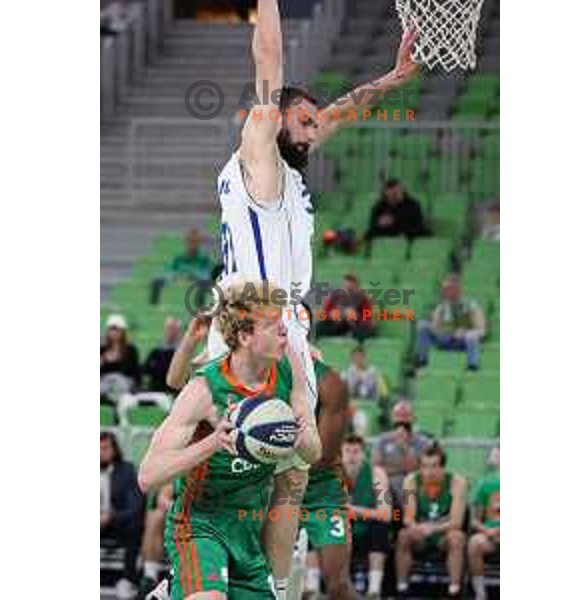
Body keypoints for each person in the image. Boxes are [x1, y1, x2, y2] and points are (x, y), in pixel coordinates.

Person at [210, 2, 418, 594]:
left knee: (301, 459)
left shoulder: (289, 166)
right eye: (302, 119)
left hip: (284, 323)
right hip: (252, 317)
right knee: (254, 452)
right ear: (275, 118)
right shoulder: (261, 153)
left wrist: (392, 79)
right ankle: (198, 562)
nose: (314, 127)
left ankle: (273, 583)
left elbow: (342, 113)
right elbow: (269, 55)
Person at [138, 279, 321, 600]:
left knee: (295, 475)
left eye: (282, 320)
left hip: (247, 530)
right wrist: (212, 443)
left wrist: (301, 435)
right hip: (199, 524)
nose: (283, 329)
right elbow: (147, 477)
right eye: (271, 324)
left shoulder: (289, 365)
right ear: (245, 336)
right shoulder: (205, 390)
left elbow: (313, 453)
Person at [301, 352, 358, 600]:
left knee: (337, 585)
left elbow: (323, 456)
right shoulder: (254, 371)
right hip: (273, 486)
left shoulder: (328, 382)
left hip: (320, 488)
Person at [396, 442, 468, 598]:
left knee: (457, 537)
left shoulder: (457, 482)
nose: (429, 471)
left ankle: (454, 589)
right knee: (403, 535)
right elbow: (408, 517)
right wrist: (418, 528)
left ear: (443, 467)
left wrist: (433, 529)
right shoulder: (410, 481)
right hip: (420, 533)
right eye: (425, 466)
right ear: (420, 467)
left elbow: (457, 521)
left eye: (434, 466)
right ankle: (401, 587)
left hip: (444, 533)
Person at [342, 434, 392, 599]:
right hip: (342, 530)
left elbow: (385, 514)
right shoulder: (333, 474)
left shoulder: (377, 475)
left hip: (368, 531)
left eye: (356, 451)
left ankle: (374, 590)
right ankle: (314, 587)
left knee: (380, 528)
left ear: (364, 454)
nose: (351, 456)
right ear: (341, 453)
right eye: (347, 451)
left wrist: (353, 511)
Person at [100, 431, 145, 600]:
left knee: (134, 523)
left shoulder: (126, 470)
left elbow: (135, 505)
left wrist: (111, 516)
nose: (100, 452)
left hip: (116, 522)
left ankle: (128, 579)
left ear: (114, 449)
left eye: (105, 448)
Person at [415, 274, 486, 370]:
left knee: (471, 336)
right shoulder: (442, 307)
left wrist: (465, 332)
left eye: (449, 288)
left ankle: (472, 365)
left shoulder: (471, 305)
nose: (445, 291)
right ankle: (422, 360)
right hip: (447, 339)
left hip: (463, 341)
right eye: (444, 289)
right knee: (422, 325)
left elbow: (481, 330)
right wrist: (443, 331)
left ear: (458, 289)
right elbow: (435, 327)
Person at [373, 400, 431, 497]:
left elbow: (419, 470)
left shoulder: (423, 442)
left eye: (405, 416)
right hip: (386, 486)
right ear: (392, 418)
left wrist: (404, 447)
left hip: (413, 487)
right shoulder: (383, 440)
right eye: (398, 415)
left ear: (413, 418)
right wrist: (402, 470)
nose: (402, 420)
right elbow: (377, 468)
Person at [468, 446, 500, 600]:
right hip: (491, 536)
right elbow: (474, 520)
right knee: (475, 543)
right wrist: (488, 531)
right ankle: (480, 594)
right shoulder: (484, 483)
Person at [150, 229, 214, 305]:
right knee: (157, 279)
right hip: (178, 278)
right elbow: (169, 270)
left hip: (197, 280)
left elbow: (207, 272)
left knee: (203, 282)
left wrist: (191, 273)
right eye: (190, 242)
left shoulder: (204, 259)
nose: (192, 245)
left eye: (195, 242)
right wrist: (177, 275)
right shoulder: (179, 258)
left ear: (199, 243)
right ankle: (154, 305)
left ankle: (200, 307)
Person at [137, 483, 174, 599]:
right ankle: (150, 576)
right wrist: (179, 510)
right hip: (182, 517)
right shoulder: (183, 471)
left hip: (212, 521)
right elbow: (162, 499)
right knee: (155, 516)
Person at [365, 179, 429, 243]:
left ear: (402, 190)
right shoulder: (380, 206)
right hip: (387, 236)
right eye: (391, 193)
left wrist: (404, 232)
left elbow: (418, 224)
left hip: (409, 235)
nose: (394, 195)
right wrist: (379, 223)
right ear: (386, 193)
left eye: (396, 192)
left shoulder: (413, 204)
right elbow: (372, 224)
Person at [318, 274, 375, 341]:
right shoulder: (335, 297)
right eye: (347, 287)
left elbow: (368, 317)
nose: (348, 290)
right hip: (337, 324)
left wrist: (356, 318)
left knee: (364, 330)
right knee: (320, 326)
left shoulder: (363, 299)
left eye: (351, 288)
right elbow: (325, 312)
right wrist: (333, 316)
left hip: (356, 325)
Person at [101, 314, 141, 400]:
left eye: (117, 330)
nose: (114, 333)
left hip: (124, 381)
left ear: (123, 332)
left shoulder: (130, 349)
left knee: (118, 383)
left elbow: (134, 371)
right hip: (105, 382)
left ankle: (115, 400)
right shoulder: (102, 349)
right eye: (111, 329)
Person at [143, 317, 183, 392]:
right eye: (169, 328)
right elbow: (146, 370)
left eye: (174, 329)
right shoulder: (156, 351)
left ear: (179, 331)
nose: (171, 332)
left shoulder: (184, 353)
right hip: (156, 390)